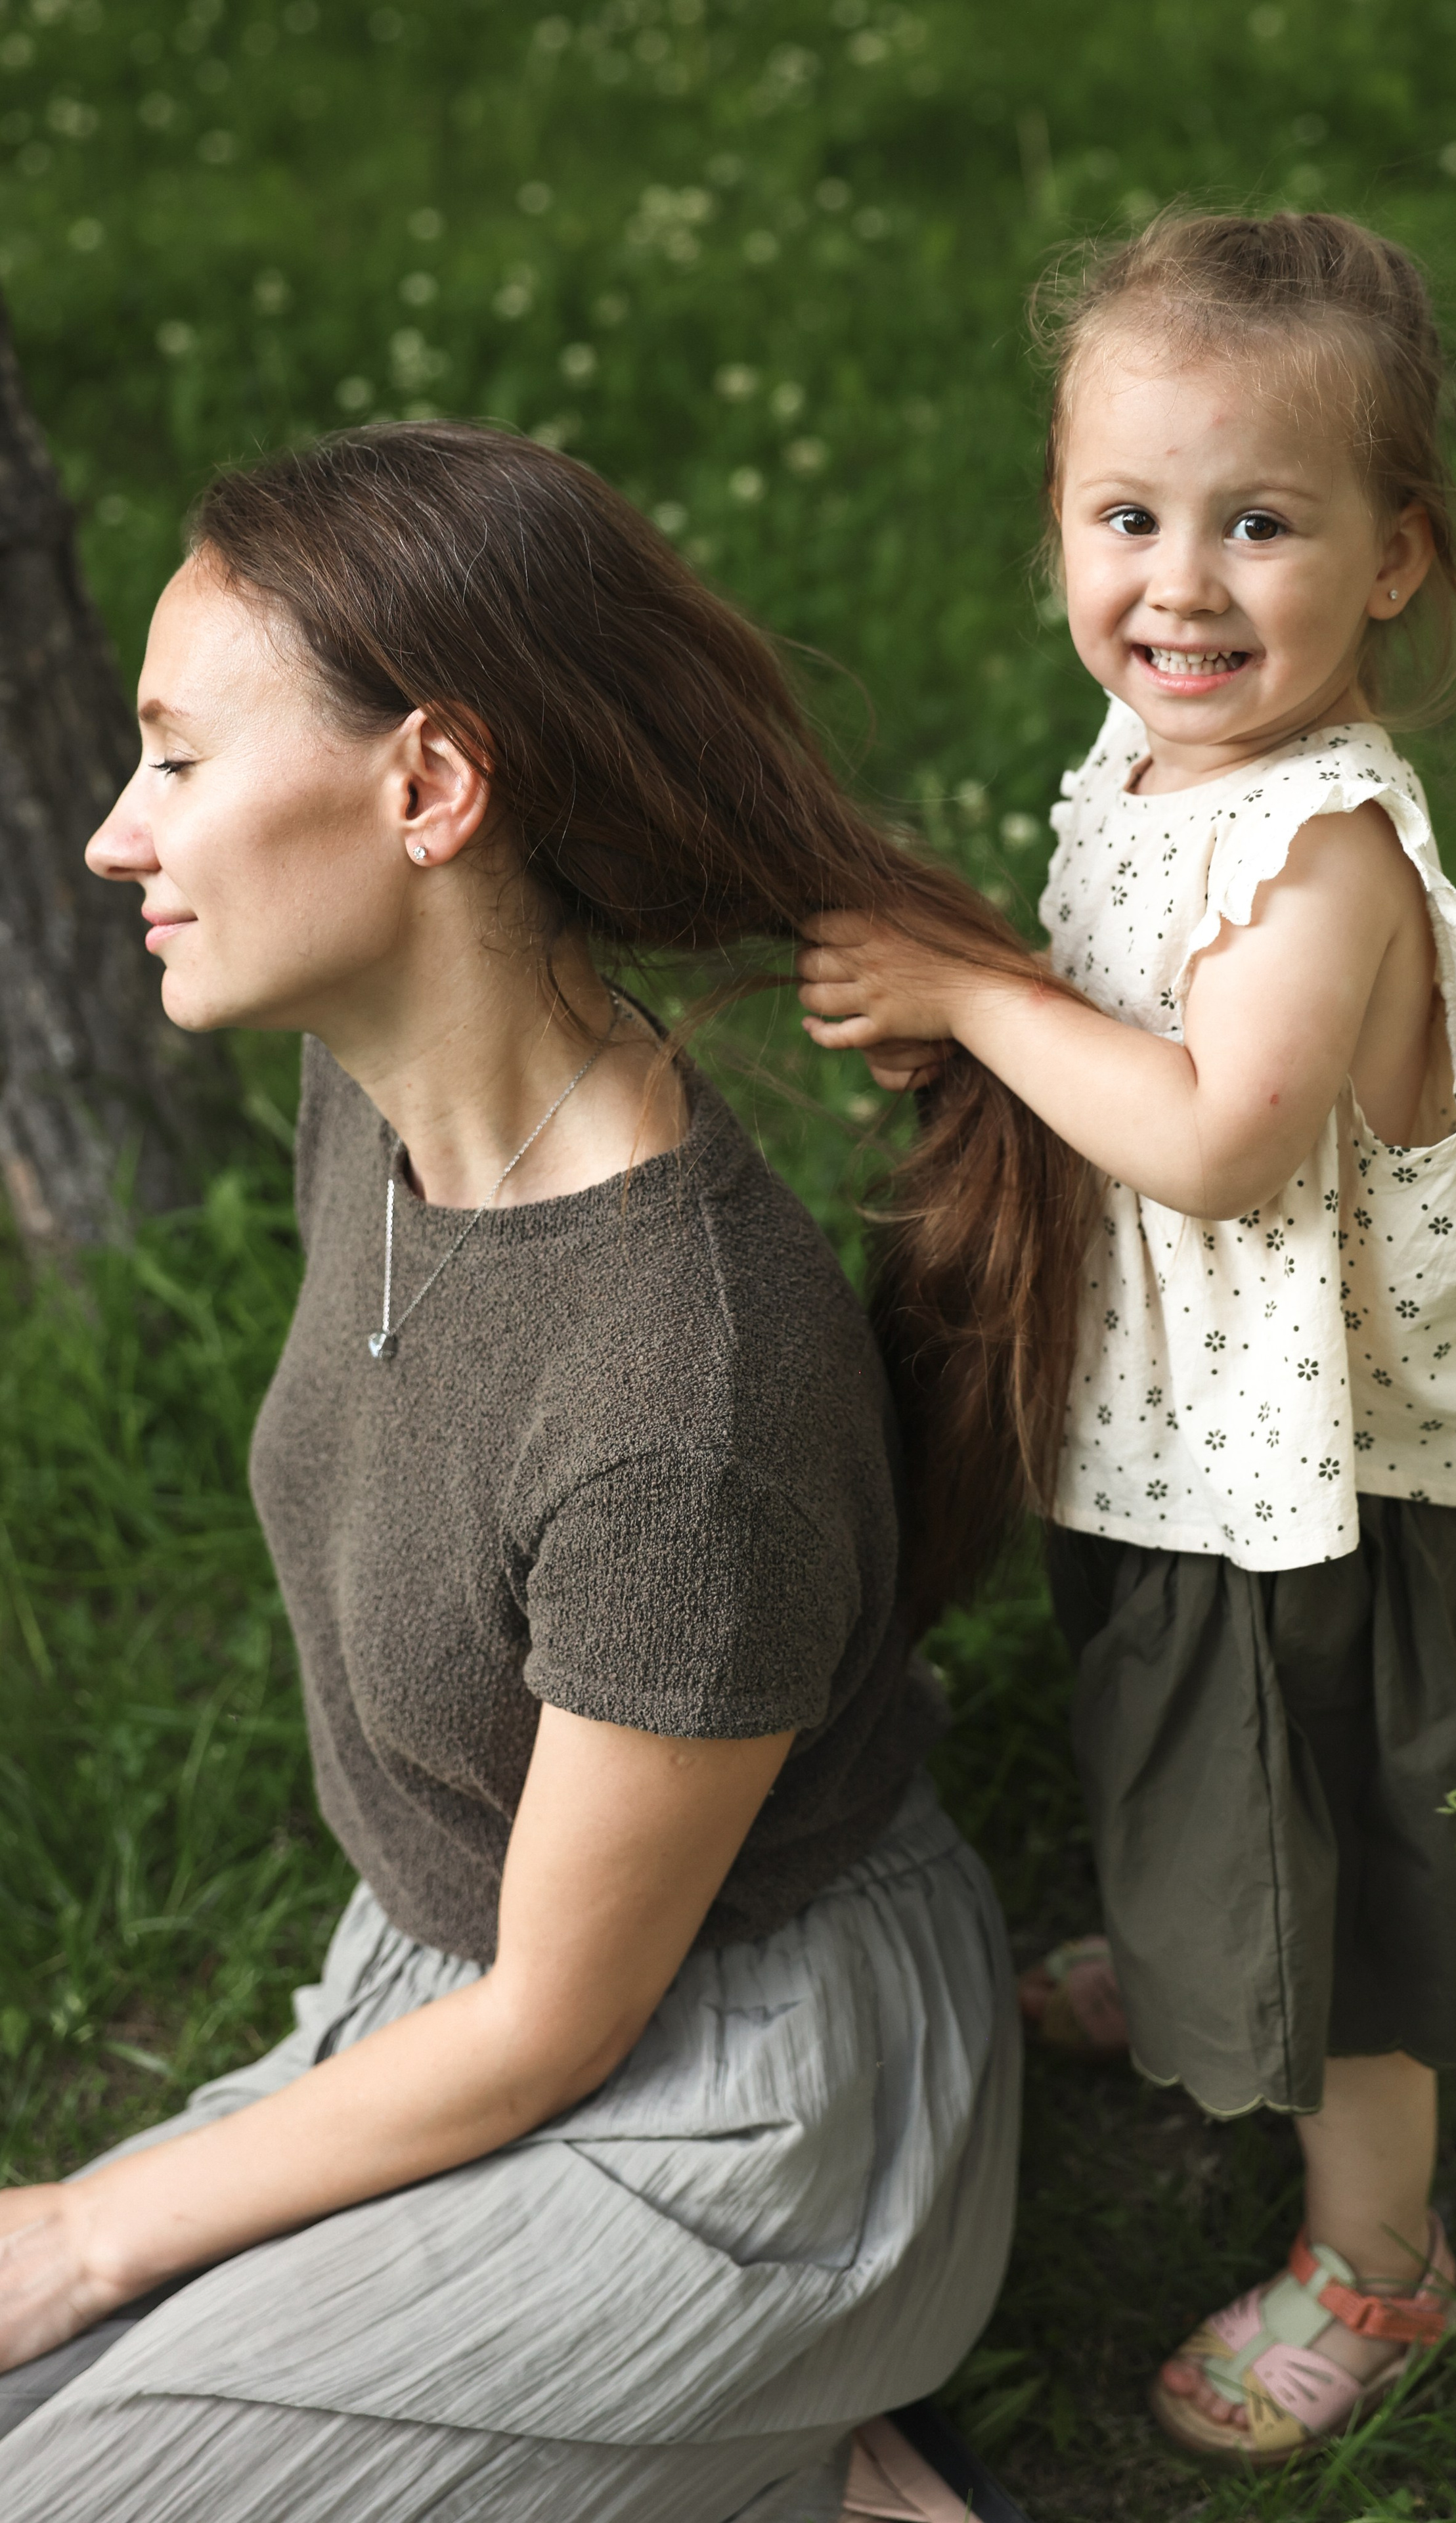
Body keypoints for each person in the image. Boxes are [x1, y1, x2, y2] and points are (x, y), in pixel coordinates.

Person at [0, 422, 1043, 2523]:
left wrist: (90, 2228)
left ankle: (769, 2411)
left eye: (181, 761)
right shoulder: (367, 1099)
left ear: (429, 790)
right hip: (460, 1984)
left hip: (730, 2106)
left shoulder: (685, 1391)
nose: (116, 835)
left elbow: (565, 2017)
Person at [796, 210, 1456, 2468]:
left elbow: (1223, 1143)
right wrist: (989, 1051)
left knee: (1342, 1841)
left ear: (1397, 559)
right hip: (1190, 1436)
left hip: (1319, 1480)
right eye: (1128, 518)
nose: (1184, 585)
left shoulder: (1322, 845)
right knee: (1168, 1724)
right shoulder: (1145, 772)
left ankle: (1381, 2261)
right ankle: (1202, 1925)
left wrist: (980, 1003)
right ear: (1057, 522)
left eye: (1262, 523)